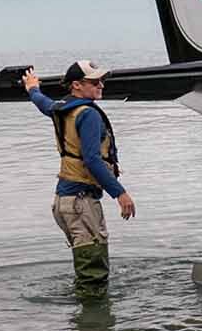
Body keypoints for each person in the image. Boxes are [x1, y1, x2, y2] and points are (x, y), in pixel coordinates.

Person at [22, 60, 134, 294]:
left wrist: (32, 88)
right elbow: (92, 160)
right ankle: (92, 326)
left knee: (86, 272)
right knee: (93, 278)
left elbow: (42, 103)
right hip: (81, 202)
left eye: (101, 80)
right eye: (94, 82)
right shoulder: (88, 115)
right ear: (76, 85)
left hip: (63, 203)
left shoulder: (61, 108)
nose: (101, 85)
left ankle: (82, 322)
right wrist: (120, 193)